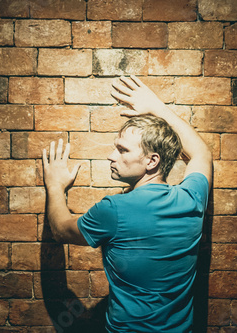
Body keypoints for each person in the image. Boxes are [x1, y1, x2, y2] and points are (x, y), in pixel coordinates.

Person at [42, 75, 213, 332]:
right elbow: (201, 153)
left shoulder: (113, 210)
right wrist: (157, 107)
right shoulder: (192, 199)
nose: (112, 156)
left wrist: (55, 186)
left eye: (122, 150)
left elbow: (60, 230)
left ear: (151, 161)